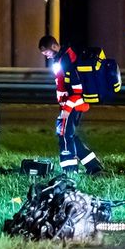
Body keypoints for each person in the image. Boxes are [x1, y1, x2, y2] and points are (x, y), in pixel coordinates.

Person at [38, 35, 103, 175]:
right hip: (71, 104)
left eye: (47, 53)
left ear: (54, 47)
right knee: (70, 135)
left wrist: (66, 109)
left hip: (72, 105)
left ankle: (70, 171)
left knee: (64, 134)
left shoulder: (67, 60)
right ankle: (93, 166)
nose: (47, 56)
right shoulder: (63, 58)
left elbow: (77, 89)